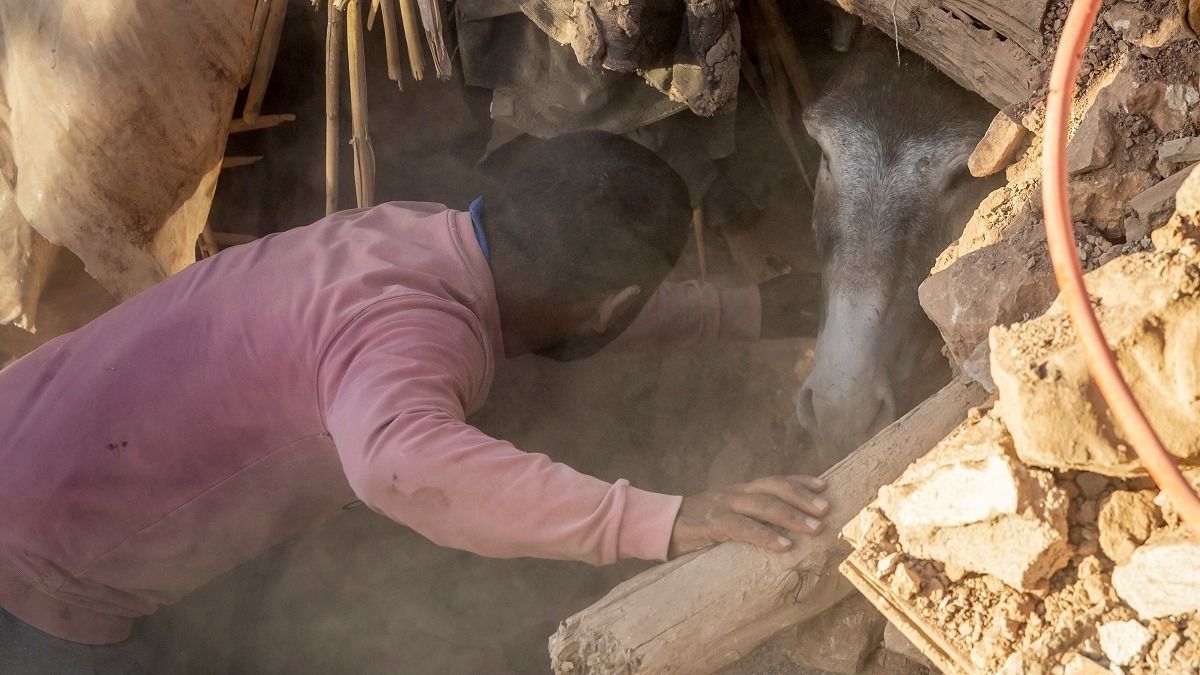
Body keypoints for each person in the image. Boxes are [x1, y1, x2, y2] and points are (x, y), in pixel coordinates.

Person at [0, 131, 827, 673]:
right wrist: (665, 520)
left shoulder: (413, 237)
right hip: (41, 575)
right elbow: (402, 466)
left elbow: (576, 313)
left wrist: (743, 309)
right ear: (612, 303)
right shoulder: (414, 334)